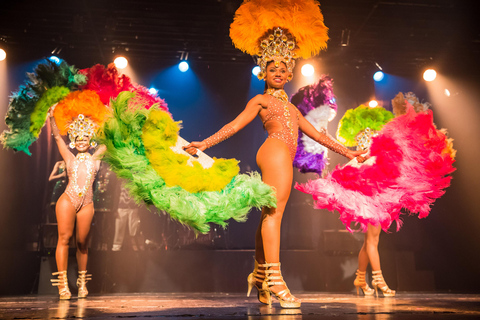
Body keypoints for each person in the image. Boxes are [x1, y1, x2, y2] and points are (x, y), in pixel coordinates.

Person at [184, 57, 365, 307]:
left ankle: (259, 277)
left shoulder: (293, 109)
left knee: (269, 214)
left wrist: (348, 152)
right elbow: (235, 125)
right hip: (275, 150)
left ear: (289, 75)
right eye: (272, 70)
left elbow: (319, 136)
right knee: (274, 214)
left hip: (283, 155)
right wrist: (206, 143)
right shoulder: (261, 100)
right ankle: (276, 280)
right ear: (263, 74)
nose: (278, 73)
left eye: (282, 70)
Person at [48, 108, 106, 300]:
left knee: (82, 243)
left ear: (90, 141)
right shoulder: (69, 157)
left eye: (85, 138)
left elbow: (110, 142)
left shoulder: (96, 158)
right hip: (68, 199)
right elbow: (57, 138)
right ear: (74, 140)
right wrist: (52, 118)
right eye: (78, 138)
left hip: (87, 203)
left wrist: (113, 118)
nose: (81, 140)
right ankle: (63, 285)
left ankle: (82, 283)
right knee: (64, 238)